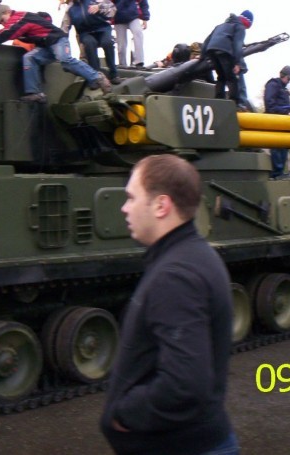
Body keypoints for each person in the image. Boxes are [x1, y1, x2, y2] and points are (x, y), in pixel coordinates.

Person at [101, 154, 238, 455]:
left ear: (161, 206)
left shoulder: (176, 276)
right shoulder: (190, 255)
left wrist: (125, 413)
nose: (124, 207)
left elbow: (186, 383)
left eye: (131, 197)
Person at [0, 4, 110, 102]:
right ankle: (34, 93)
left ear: (7, 12)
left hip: (57, 40)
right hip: (47, 46)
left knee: (65, 60)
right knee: (29, 58)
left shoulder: (19, 17)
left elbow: (9, 32)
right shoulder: (17, 20)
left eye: (2, 20)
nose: (2, 23)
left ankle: (97, 77)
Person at [60, 0, 121, 83]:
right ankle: (96, 76)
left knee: (107, 42)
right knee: (89, 43)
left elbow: (113, 8)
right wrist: (61, 47)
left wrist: (99, 7)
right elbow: (64, 28)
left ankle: (114, 73)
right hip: (85, 33)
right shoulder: (70, 8)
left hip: (102, 29)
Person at [201, 11, 253, 110]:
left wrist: (202, 57)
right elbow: (237, 45)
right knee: (232, 78)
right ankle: (235, 104)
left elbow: (206, 41)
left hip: (211, 51)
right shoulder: (240, 27)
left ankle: (218, 101)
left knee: (221, 77)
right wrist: (237, 63)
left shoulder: (220, 26)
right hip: (225, 51)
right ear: (246, 23)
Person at [107, 0, 150, 67]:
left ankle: (139, 61)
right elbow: (108, 4)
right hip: (119, 19)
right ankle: (123, 65)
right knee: (121, 45)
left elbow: (143, 0)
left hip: (133, 17)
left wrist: (145, 18)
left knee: (138, 33)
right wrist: (108, 20)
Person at [263, 65, 290, 177]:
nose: (289, 82)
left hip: (283, 123)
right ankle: (276, 173)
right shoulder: (273, 85)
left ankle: (281, 172)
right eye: (289, 79)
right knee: (277, 147)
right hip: (274, 121)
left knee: (284, 146)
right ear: (285, 76)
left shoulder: (283, 89)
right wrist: (286, 113)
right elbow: (270, 105)